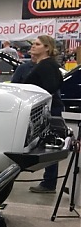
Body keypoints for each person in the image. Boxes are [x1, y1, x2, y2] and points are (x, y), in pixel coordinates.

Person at [25, 35, 65, 193]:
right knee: (50, 144)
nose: (33, 46)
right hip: (49, 108)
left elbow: (50, 87)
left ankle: (49, 183)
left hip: (46, 110)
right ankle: (49, 181)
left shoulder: (45, 66)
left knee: (50, 145)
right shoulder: (49, 64)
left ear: (47, 48)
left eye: (37, 44)